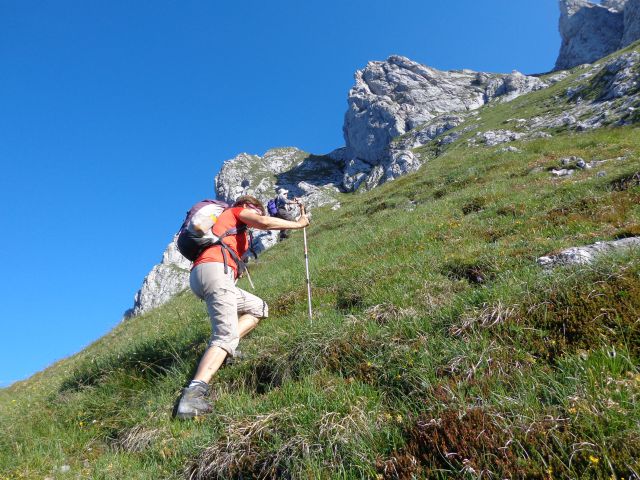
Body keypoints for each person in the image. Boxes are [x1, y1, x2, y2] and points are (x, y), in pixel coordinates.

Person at [174, 195, 309, 419]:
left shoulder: (229, 224)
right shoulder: (237, 212)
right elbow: (265, 223)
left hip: (206, 273)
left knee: (259, 308)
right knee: (224, 335)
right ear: (248, 206)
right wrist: (298, 223)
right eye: (258, 210)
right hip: (215, 271)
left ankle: (227, 351)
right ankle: (192, 396)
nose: (260, 213)